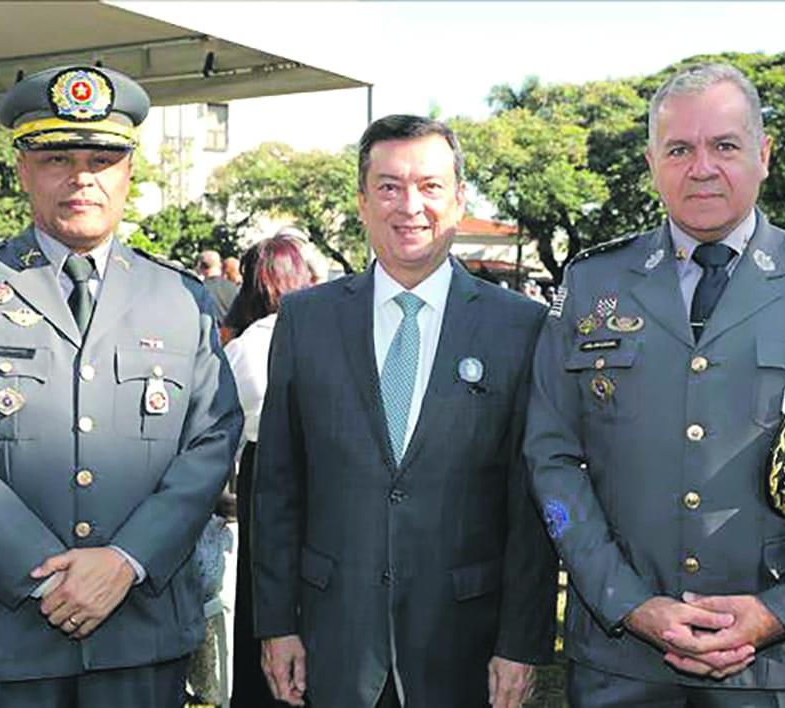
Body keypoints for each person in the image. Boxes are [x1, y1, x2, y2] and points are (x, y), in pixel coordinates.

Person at [526, 63, 785, 707]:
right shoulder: (593, 285)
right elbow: (550, 458)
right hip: (620, 660)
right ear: (652, 160)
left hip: (775, 665)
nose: (702, 166)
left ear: (762, 155)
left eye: (725, 145)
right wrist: (624, 602)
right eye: (680, 148)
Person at [0, 65, 242, 708]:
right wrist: (40, 575)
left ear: (128, 171)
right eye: (58, 158)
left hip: (138, 636)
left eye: (102, 158)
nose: (82, 177)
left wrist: (127, 560)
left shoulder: (180, 298)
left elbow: (211, 443)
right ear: (23, 169)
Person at [251, 114, 558, 708]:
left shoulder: (519, 327)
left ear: (459, 198)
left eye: (430, 186)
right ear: (363, 201)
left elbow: (534, 503)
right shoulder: (306, 320)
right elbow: (277, 488)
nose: (409, 205)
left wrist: (522, 642)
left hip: (465, 645)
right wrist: (275, 623)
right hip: (332, 639)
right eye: (389, 186)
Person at [222, 234, 315, 707]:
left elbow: (223, 442)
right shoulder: (326, 339)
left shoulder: (243, 352)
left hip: (260, 498)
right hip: (321, 499)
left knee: (264, 618)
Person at [197, 249, 240, 325]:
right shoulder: (235, 288)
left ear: (200, 266)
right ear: (220, 265)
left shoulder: (199, 289)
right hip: (232, 334)